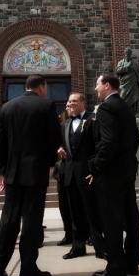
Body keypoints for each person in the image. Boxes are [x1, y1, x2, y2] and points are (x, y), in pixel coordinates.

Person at [0, 75, 61, 276]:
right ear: (41, 87)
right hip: (35, 173)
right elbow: (54, 140)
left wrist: (2, 171)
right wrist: (48, 163)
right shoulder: (46, 106)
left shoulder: (7, 108)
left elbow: (0, 144)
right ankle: (28, 271)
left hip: (12, 173)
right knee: (31, 222)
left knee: (8, 221)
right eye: (45, 87)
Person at [88, 73, 139, 276]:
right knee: (130, 217)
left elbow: (108, 142)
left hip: (111, 172)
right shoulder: (125, 107)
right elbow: (135, 138)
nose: (95, 89)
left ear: (107, 85)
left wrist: (97, 165)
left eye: (97, 84)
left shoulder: (107, 108)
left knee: (112, 221)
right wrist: (127, 159)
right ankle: (132, 263)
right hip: (127, 170)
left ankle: (116, 269)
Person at [57, 93, 106, 260]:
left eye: (74, 101)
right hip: (70, 174)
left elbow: (99, 146)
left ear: (83, 103)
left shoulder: (93, 121)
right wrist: (60, 150)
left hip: (87, 174)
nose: (70, 104)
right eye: (69, 101)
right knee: (75, 214)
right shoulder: (64, 124)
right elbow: (64, 145)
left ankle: (100, 247)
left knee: (92, 212)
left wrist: (96, 170)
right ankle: (78, 247)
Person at [116, 47, 139, 115]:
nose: (127, 55)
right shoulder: (121, 62)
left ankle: (132, 113)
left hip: (133, 82)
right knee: (122, 96)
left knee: (133, 97)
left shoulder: (135, 63)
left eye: (129, 53)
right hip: (124, 83)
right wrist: (127, 67)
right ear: (125, 54)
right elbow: (118, 70)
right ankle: (123, 112)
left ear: (130, 54)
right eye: (126, 53)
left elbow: (138, 73)